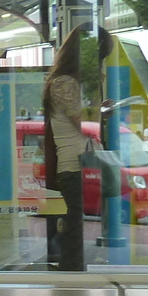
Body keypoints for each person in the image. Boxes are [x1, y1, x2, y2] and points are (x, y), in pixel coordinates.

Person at [42, 30, 88, 272]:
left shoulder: (67, 82)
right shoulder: (65, 83)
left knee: (76, 228)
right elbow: (85, 123)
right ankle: (71, 279)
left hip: (78, 166)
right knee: (75, 230)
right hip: (73, 166)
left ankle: (72, 276)